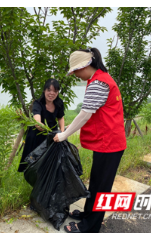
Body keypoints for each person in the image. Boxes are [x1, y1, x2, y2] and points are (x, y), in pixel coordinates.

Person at [53, 48, 127, 233]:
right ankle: (87, 214)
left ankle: (89, 227)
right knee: (96, 183)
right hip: (107, 142)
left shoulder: (99, 83)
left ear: (86, 65)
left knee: (101, 187)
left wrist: (64, 135)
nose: (76, 75)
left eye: (76, 71)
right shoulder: (100, 78)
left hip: (109, 144)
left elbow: (85, 114)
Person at [18, 78, 65, 172]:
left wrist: (62, 133)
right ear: (44, 91)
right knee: (34, 162)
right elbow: (37, 120)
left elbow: (60, 117)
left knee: (51, 162)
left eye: (55, 91)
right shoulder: (38, 103)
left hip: (52, 135)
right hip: (36, 136)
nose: (51, 93)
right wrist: (39, 125)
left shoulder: (59, 103)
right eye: (49, 90)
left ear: (58, 92)